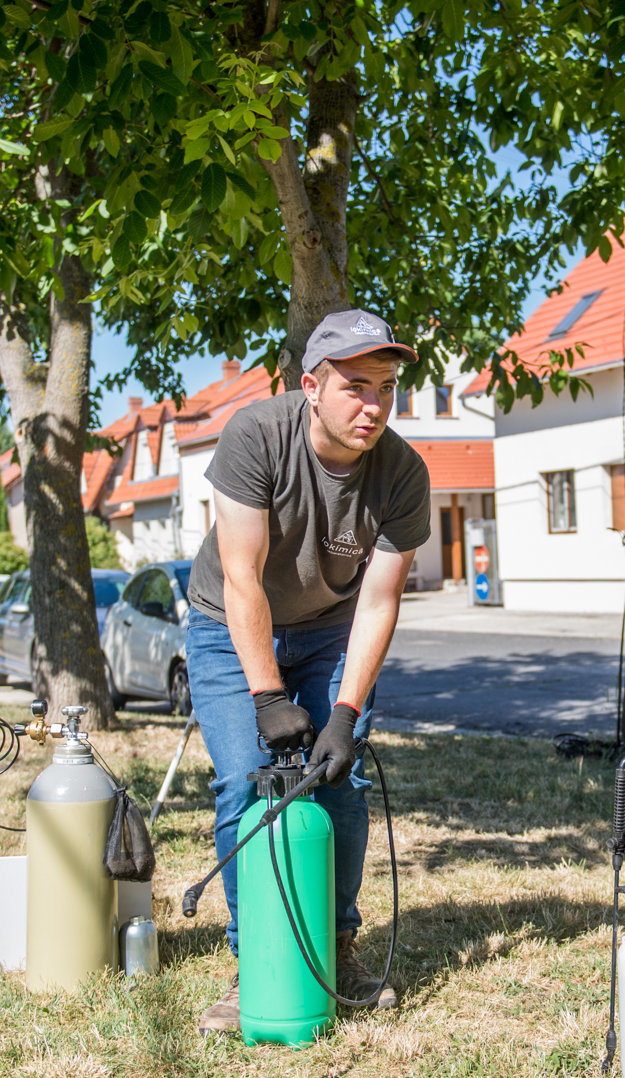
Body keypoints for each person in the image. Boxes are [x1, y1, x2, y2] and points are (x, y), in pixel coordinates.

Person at [185, 309, 431, 1034]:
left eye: (387, 387)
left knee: (340, 777)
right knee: (243, 780)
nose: (375, 405)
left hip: (330, 630)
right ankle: (252, 960)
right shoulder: (256, 436)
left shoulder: (402, 473)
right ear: (311, 387)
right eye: (357, 386)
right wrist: (266, 695)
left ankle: (338, 946)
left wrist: (345, 716)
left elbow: (380, 603)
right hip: (227, 624)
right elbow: (241, 578)